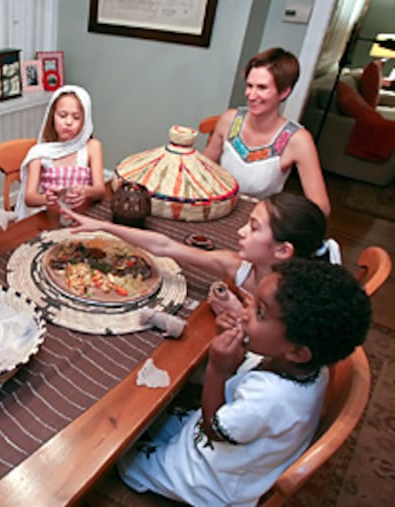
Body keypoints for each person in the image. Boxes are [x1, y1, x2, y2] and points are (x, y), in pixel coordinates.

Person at [116, 259, 371, 506]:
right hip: (233, 441)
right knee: (147, 416)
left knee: (123, 454)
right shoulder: (306, 366)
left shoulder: (271, 399)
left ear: (296, 352)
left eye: (259, 312)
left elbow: (214, 429)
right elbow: (248, 381)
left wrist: (218, 369)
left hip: (210, 481)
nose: (245, 313)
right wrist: (233, 354)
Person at [62, 192, 340, 300]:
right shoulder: (239, 267)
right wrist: (102, 227)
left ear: (282, 250)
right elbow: (163, 245)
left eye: (254, 228)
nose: (240, 231)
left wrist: (240, 314)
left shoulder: (289, 304)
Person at [203, 47, 331, 216]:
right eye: (249, 86)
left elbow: (321, 208)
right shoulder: (229, 120)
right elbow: (201, 170)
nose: (251, 95)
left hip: (259, 224)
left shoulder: (297, 140)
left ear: (284, 92)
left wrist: (282, 218)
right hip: (218, 212)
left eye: (262, 88)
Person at [15, 84, 106, 219]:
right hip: (51, 218)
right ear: (52, 117)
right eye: (62, 115)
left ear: (85, 122)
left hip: (83, 216)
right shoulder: (40, 152)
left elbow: (100, 190)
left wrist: (87, 191)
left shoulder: (92, 147)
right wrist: (45, 199)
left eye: (76, 117)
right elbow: (29, 198)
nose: (68, 122)